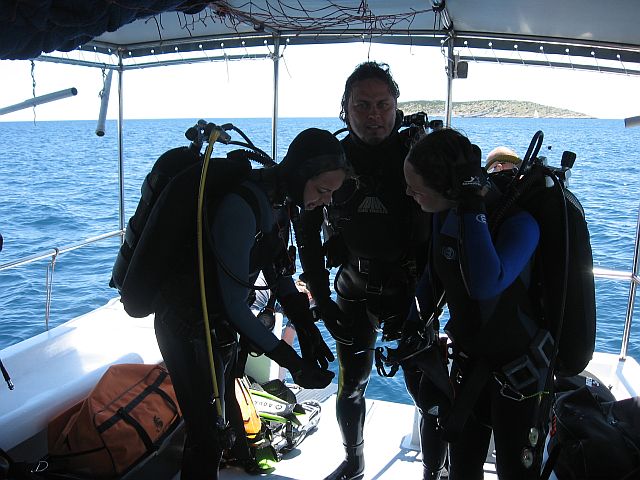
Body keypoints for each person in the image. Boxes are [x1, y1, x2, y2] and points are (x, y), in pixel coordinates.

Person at [151, 128, 350, 479]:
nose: (326, 201)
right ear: (301, 174)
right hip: (186, 327)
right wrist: (292, 362)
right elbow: (232, 304)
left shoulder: (278, 203)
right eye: (323, 191)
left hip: (219, 328)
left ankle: (239, 454)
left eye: (332, 193)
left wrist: (307, 330)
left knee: (224, 417)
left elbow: (278, 273)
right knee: (207, 436)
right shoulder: (241, 206)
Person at [296, 61, 430, 480]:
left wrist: (433, 303)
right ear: (345, 110)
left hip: (411, 291)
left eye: (383, 105)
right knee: (350, 385)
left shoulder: (420, 158)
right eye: (362, 105)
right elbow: (307, 235)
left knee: (428, 392)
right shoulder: (329, 161)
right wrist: (321, 299)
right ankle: (353, 466)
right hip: (352, 287)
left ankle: (436, 471)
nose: (374, 115)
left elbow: (446, 234)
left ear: (396, 108)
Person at [402, 128, 546, 479]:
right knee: (462, 471)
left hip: (520, 377)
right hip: (469, 367)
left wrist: (471, 203)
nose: (408, 193)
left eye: (416, 189)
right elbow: (435, 275)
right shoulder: (444, 213)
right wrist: (412, 326)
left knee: (516, 474)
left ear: (448, 189)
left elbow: (484, 285)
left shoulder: (520, 224)